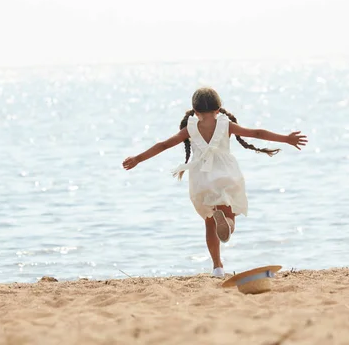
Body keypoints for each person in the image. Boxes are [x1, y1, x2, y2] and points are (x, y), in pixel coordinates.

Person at [122, 87, 307, 277]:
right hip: (226, 175)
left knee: (210, 224)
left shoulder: (190, 129)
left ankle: (217, 267)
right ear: (218, 110)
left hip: (201, 178)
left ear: (195, 112)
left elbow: (163, 145)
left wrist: (138, 158)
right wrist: (286, 138)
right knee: (230, 220)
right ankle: (226, 221)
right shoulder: (226, 125)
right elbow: (257, 133)